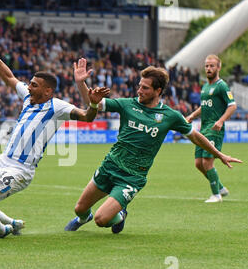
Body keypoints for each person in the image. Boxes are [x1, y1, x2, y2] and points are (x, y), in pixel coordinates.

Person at [64, 61, 242, 234]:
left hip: (132, 176)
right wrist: (81, 82)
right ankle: (82, 219)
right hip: (109, 166)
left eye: (145, 88)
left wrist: (219, 154)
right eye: (139, 86)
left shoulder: (170, 116)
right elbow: (92, 101)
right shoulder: (127, 104)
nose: (139, 90)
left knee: (102, 220)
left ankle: (120, 214)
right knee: (79, 209)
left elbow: (195, 136)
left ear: (158, 91)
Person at [0, 33, 110, 238]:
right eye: (30, 83)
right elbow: (9, 76)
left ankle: (2, 230)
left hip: (20, 170)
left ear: (48, 91)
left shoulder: (57, 107)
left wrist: (93, 102)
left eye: (34, 85)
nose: (28, 87)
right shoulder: (28, 98)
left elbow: (87, 117)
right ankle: (11, 223)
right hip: (3, 160)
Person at [185, 55, 237, 203]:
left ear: (218, 67)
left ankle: (216, 195)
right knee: (198, 163)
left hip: (214, 129)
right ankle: (220, 187)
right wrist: (192, 116)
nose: (208, 68)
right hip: (204, 128)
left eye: (212, 66)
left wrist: (221, 121)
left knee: (207, 162)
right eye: (207, 66)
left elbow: (232, 106)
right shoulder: (205, 86)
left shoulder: (222, 86)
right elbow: (205, 105)